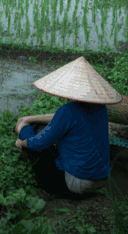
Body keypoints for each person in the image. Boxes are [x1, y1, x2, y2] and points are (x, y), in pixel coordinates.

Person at [13, 56, 120, 198]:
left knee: (29, 133)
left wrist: (21, 139)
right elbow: (62, 118)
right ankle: (25, 128)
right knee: (36, 125)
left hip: (77, 183)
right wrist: (30, 118)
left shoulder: (69, 111)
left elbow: (39, 144)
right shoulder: (101, 108)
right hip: (101, 179)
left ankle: (56, 189)